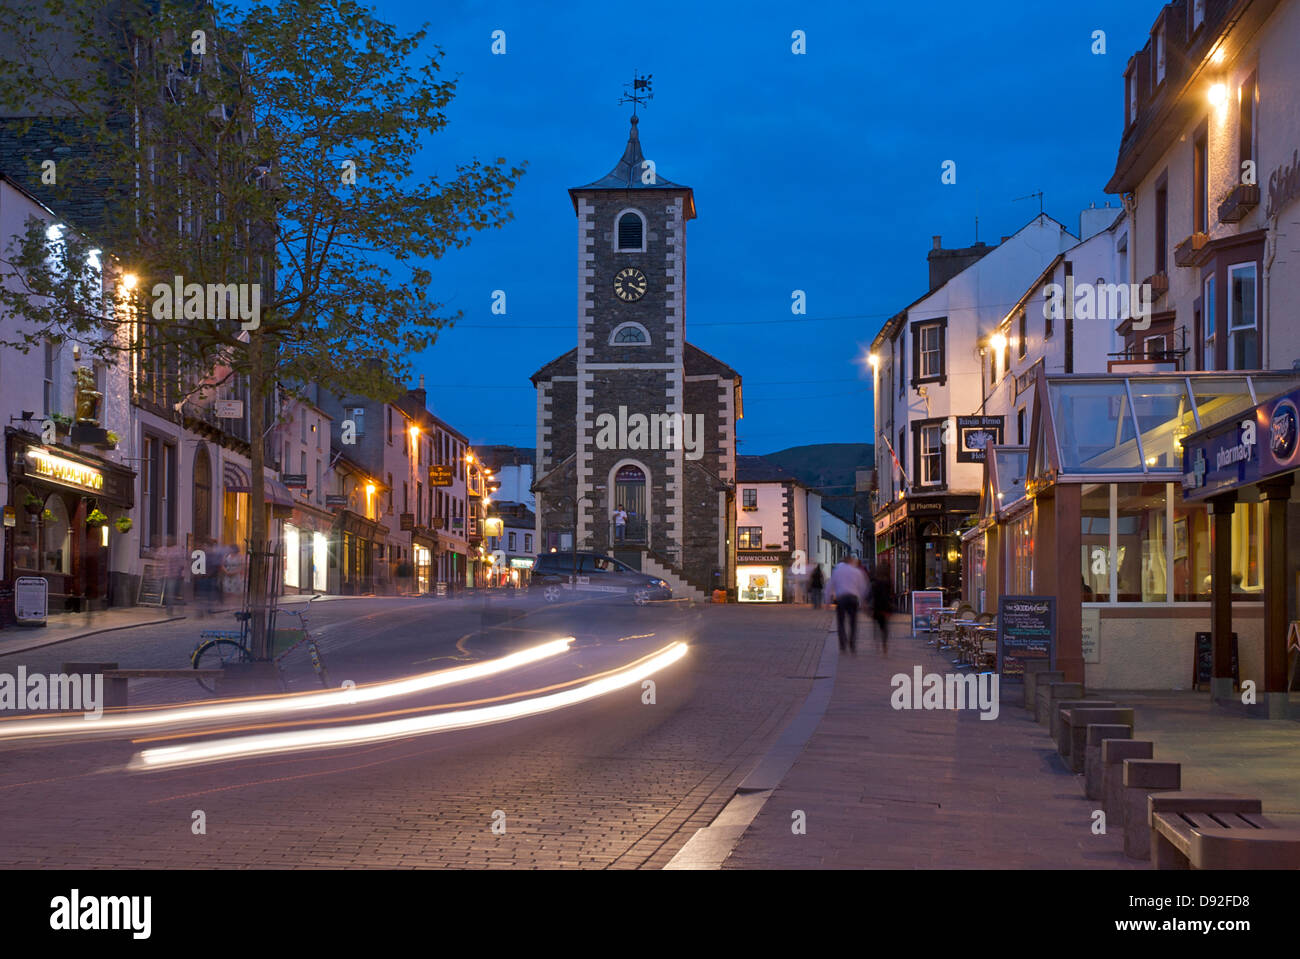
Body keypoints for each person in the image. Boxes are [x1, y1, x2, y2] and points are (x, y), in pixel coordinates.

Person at [827, 555, 868, 654]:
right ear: (851, 561)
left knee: (841, 622)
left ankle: (842, 644)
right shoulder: (857, 571)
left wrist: (827, 600)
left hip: (841, 598)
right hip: (853, 599)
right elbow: (863, 586)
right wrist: (863, 601)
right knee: (853, 622)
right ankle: (852, 644)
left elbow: (830, 585)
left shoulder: (837, 571)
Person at [869, 561, 892, 654]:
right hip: (885, 606)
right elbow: (889, 594)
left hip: (877, 606)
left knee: (877, 625)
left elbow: (872, 594)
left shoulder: (875, 581)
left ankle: (877, 642)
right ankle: (884, 644)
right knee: (884, 626)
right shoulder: (888, 581)